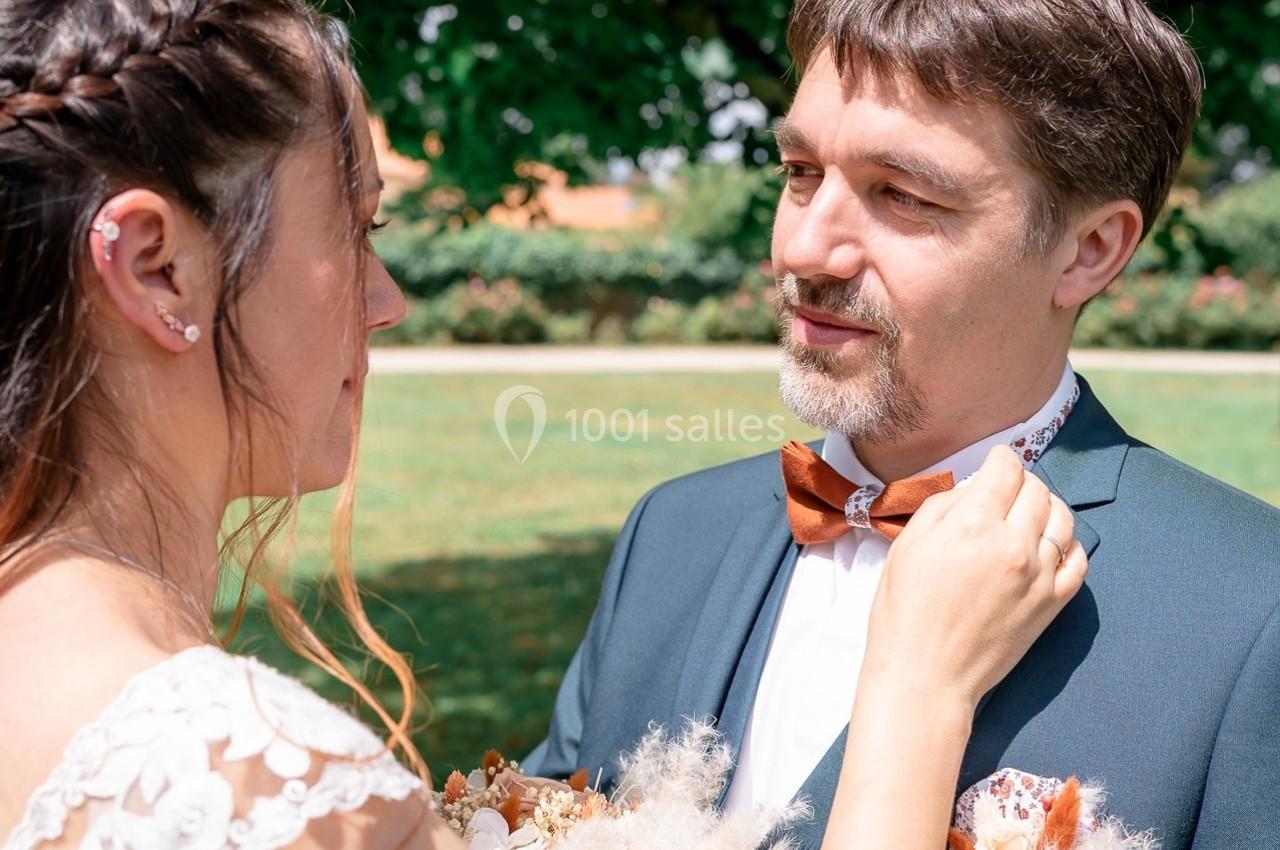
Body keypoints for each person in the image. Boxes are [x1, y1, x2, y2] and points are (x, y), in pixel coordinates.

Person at [0, 1, 1087, 848]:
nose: (386, 299)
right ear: (155, 266)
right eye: (356, 223)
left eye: (902, 194)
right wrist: (913, 693)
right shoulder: (258, 784)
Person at [524, 1, 1280, 848]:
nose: (805, 251)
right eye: (801, 172)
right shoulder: (670, 534)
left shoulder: (1252, 609)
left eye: (903, 195)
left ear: (1089, 251)